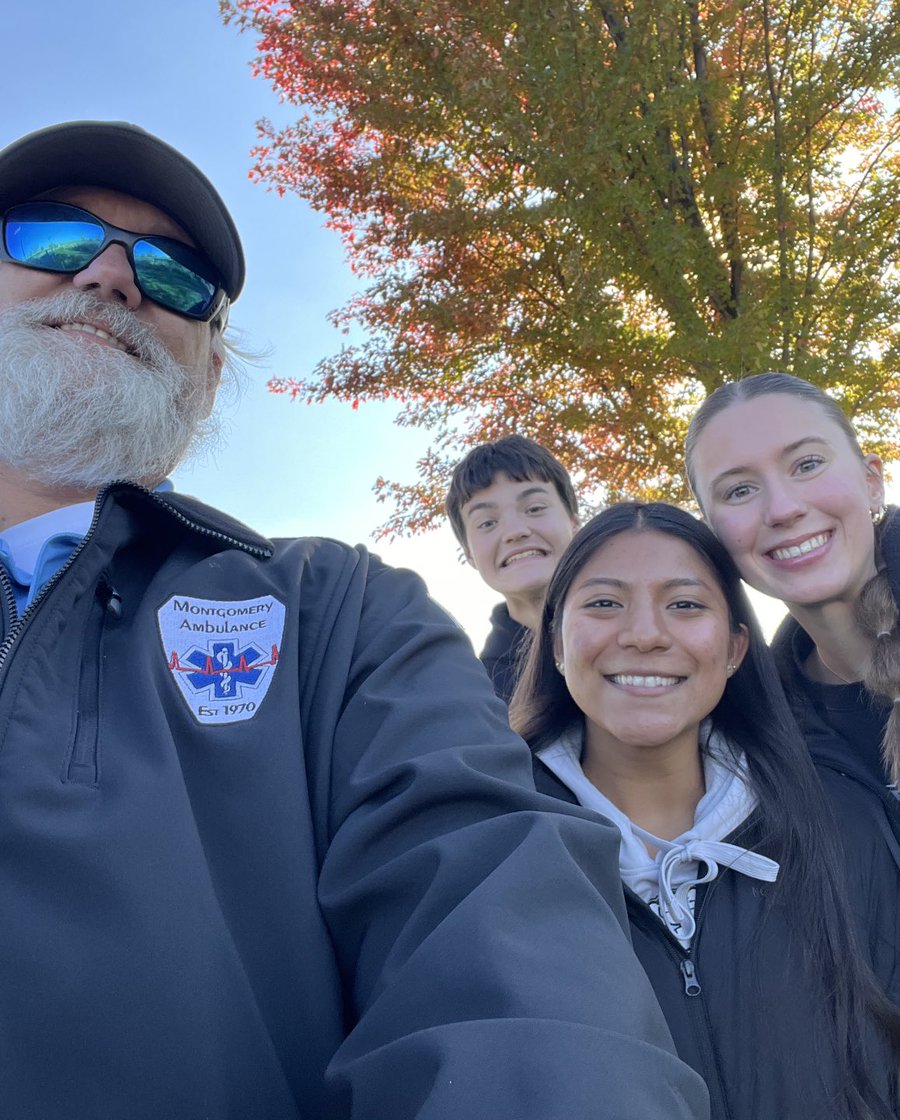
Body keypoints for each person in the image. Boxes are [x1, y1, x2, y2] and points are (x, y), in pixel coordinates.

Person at [0, 120, 710, 1120]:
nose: (114, 277)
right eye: (54, 239)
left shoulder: (343, 617)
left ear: (204, 381)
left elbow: (496, 926)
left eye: (172, 275)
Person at [510, 501, 900, 1120]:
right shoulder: (489, 858)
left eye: (685, 604)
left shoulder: (842, 828)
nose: (644, 634)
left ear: (736, 648)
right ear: (556, 643)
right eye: (604, 603)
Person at [684, 372, 900, 808]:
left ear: (871, 481)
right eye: (739, 490)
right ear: (714, 535)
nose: (783, 509)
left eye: (807, 464)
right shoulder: (754, 737)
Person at [445, 435, 579, 700]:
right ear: (470, 554)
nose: (515, 532)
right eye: (487, 523)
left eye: (535, 508)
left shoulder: (644, 632)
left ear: (574, 523)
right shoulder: (479, 697)